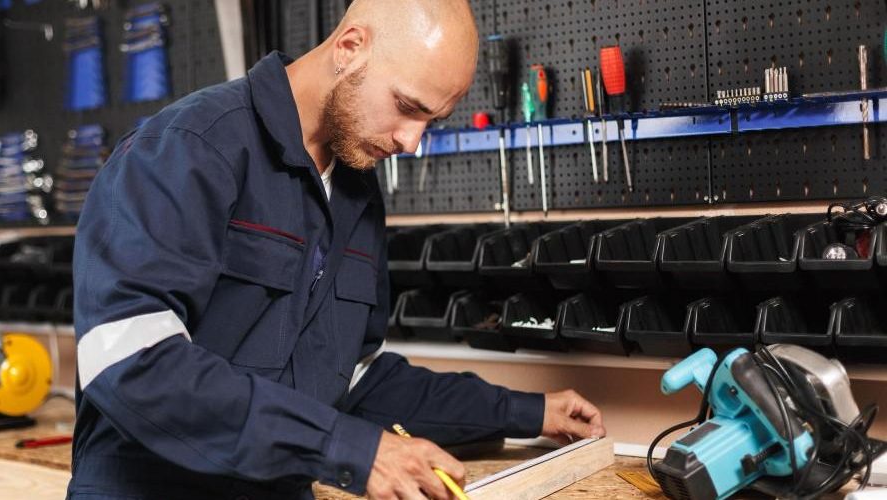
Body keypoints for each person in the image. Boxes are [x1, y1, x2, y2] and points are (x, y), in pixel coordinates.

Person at [69, 0, 606, 498]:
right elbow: (133, 367)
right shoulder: (190, 149)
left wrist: (528, 412)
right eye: (406, 106)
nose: (411, 142)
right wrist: (349, 449)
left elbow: (354, 380)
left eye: (430, 122)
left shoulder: (354, 188)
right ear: (349, 47)